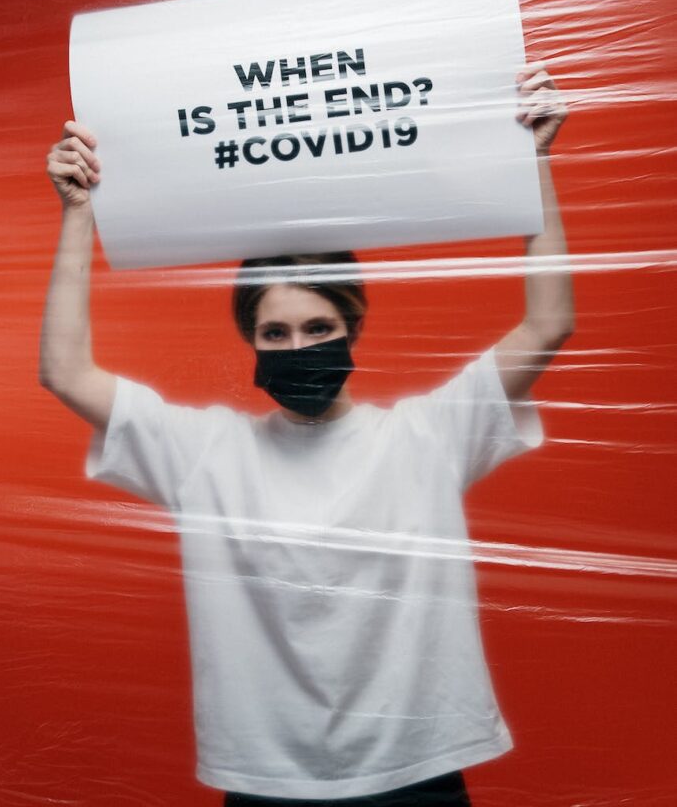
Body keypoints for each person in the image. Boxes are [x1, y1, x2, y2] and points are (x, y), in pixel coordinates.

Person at [40, 62, 574, 807]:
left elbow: (549, 324)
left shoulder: (425, 437)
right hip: (266, 784)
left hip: (417, 773)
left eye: (318, 327)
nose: (299, 348)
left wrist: (535, 161)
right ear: (251, 341)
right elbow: (64, 370)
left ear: (351, 327)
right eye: (276, 332)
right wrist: (77, 213)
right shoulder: (204, 453)